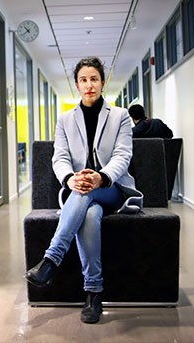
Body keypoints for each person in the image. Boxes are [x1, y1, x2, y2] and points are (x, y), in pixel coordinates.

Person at [24, 56, 143, 324]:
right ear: (76, 84)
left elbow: (123, 155)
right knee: (89, 214)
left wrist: (101, 176)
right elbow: (60, 157)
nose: (89, 85)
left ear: (102, 82)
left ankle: (51, 260)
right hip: (79, 190)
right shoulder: (65, 119)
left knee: (87, 192)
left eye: (94, 79)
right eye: (83, 80)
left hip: (113, 190)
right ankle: (93, 292)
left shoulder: (120, 116)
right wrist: (69, 179)